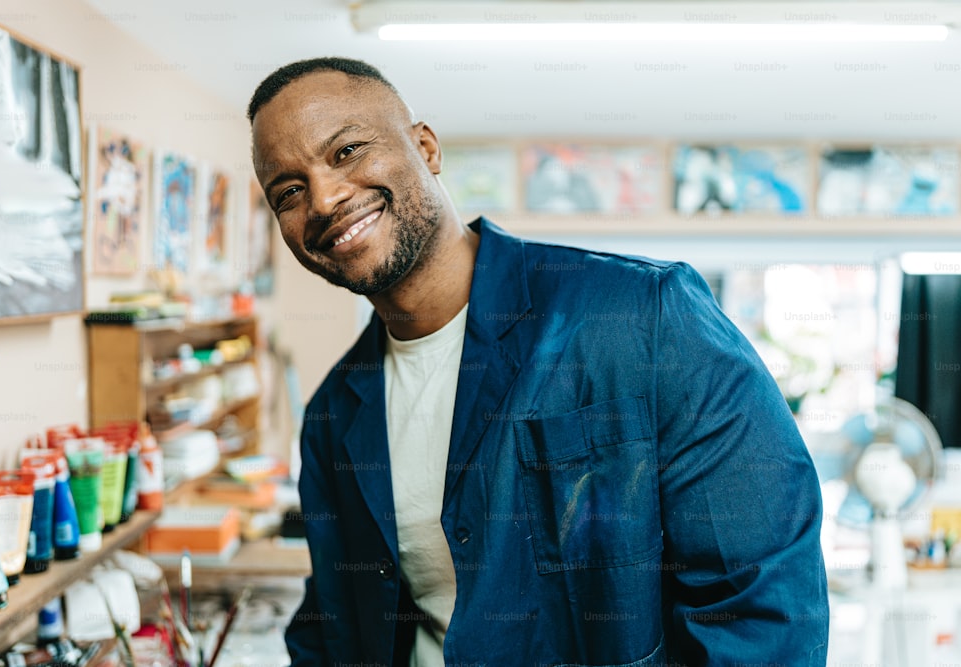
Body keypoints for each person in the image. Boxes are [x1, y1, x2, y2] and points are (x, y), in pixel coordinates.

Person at [248, 57, 828, 667]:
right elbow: (337, 626)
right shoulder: (333, 416)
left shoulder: (640, 317)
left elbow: (763, 602)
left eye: (347, 152)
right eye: (288, 190)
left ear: (425, 147)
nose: (325, 198)